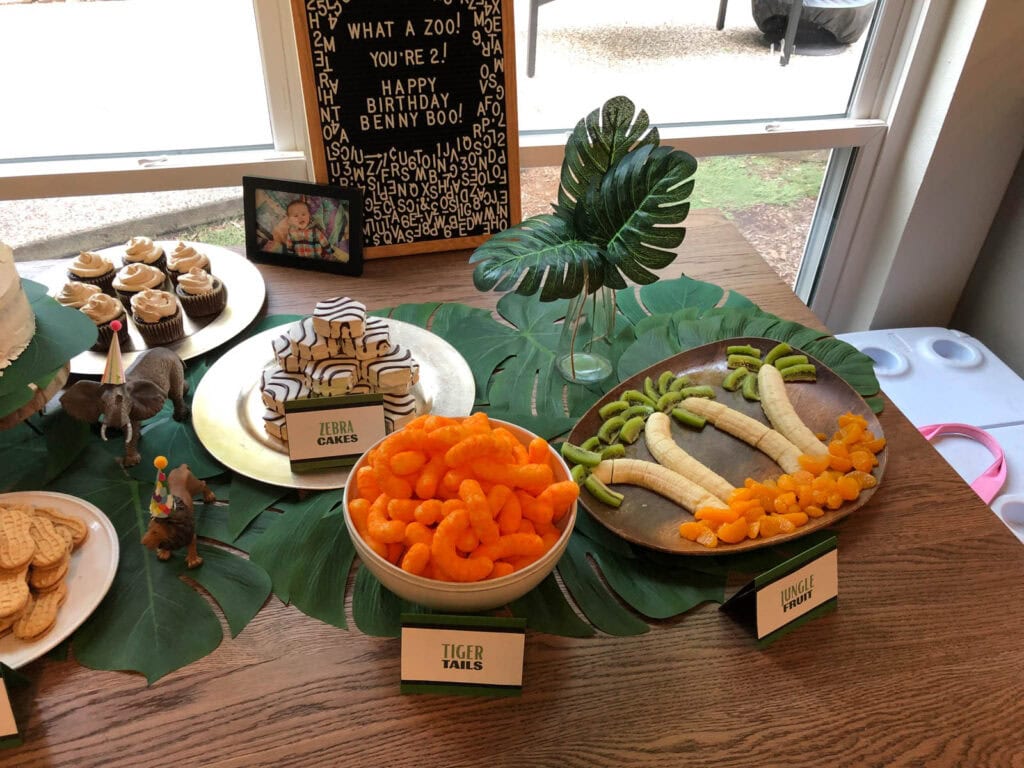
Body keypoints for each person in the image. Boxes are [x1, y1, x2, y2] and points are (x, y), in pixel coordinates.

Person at [272, 199, 348, 262]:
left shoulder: (315, 231)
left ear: (309, 215)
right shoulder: (291, 233)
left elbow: (324, 242)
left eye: (303, 214)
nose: (300, 218)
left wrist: (331, 252)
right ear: (289, 220)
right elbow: (289, 246)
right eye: (295, 216)